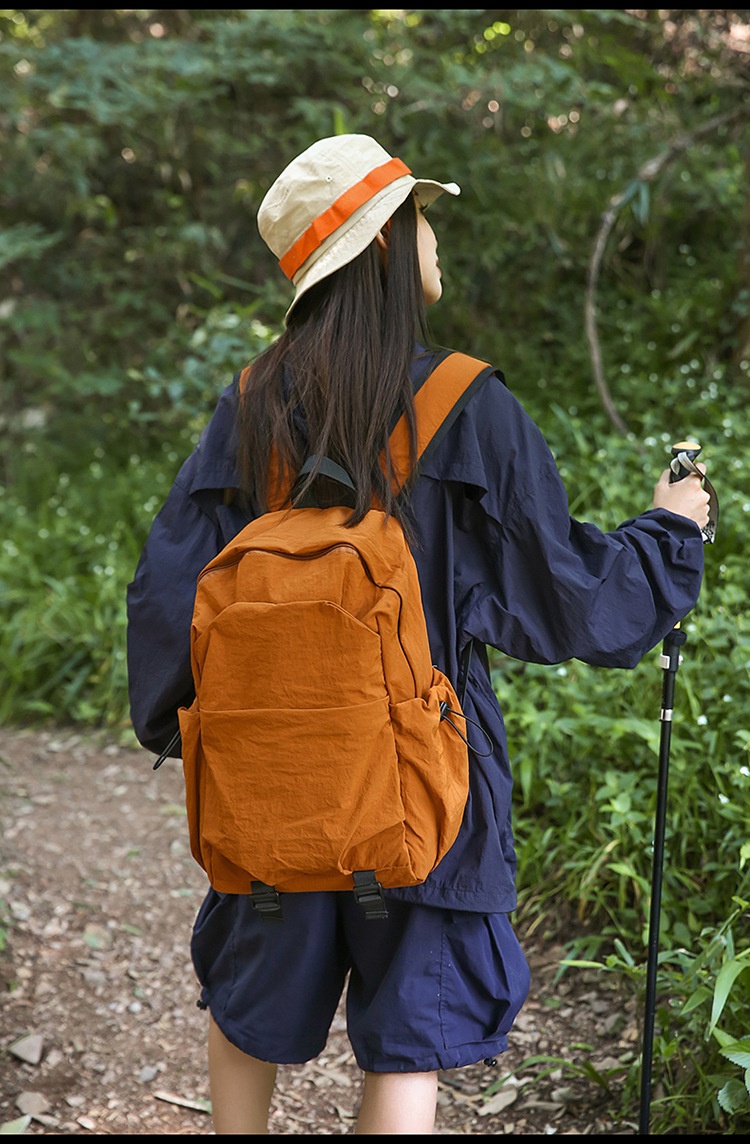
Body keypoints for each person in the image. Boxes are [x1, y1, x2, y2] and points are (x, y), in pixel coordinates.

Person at [126, 133, 711, 1135]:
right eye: (422, 217)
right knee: (408, 1045)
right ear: (386, 245)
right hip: (424, 787)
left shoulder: (250, 407)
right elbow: (569, 594)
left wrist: (198, 728)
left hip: (269, 784)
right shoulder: (464, 406)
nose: (437, 236)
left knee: (249, 1015)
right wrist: (670, 534)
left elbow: (166, 596)